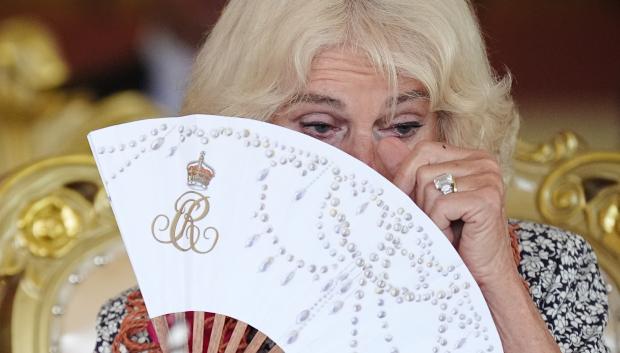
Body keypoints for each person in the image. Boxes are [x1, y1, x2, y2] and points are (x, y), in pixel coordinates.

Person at [95, 1, 610, 352]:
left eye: (403, 125)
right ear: (246, 134)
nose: (364, 164)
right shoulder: (171, 317)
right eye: (321, 126)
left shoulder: (547, 271)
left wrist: (494, 278)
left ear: (448, 130)